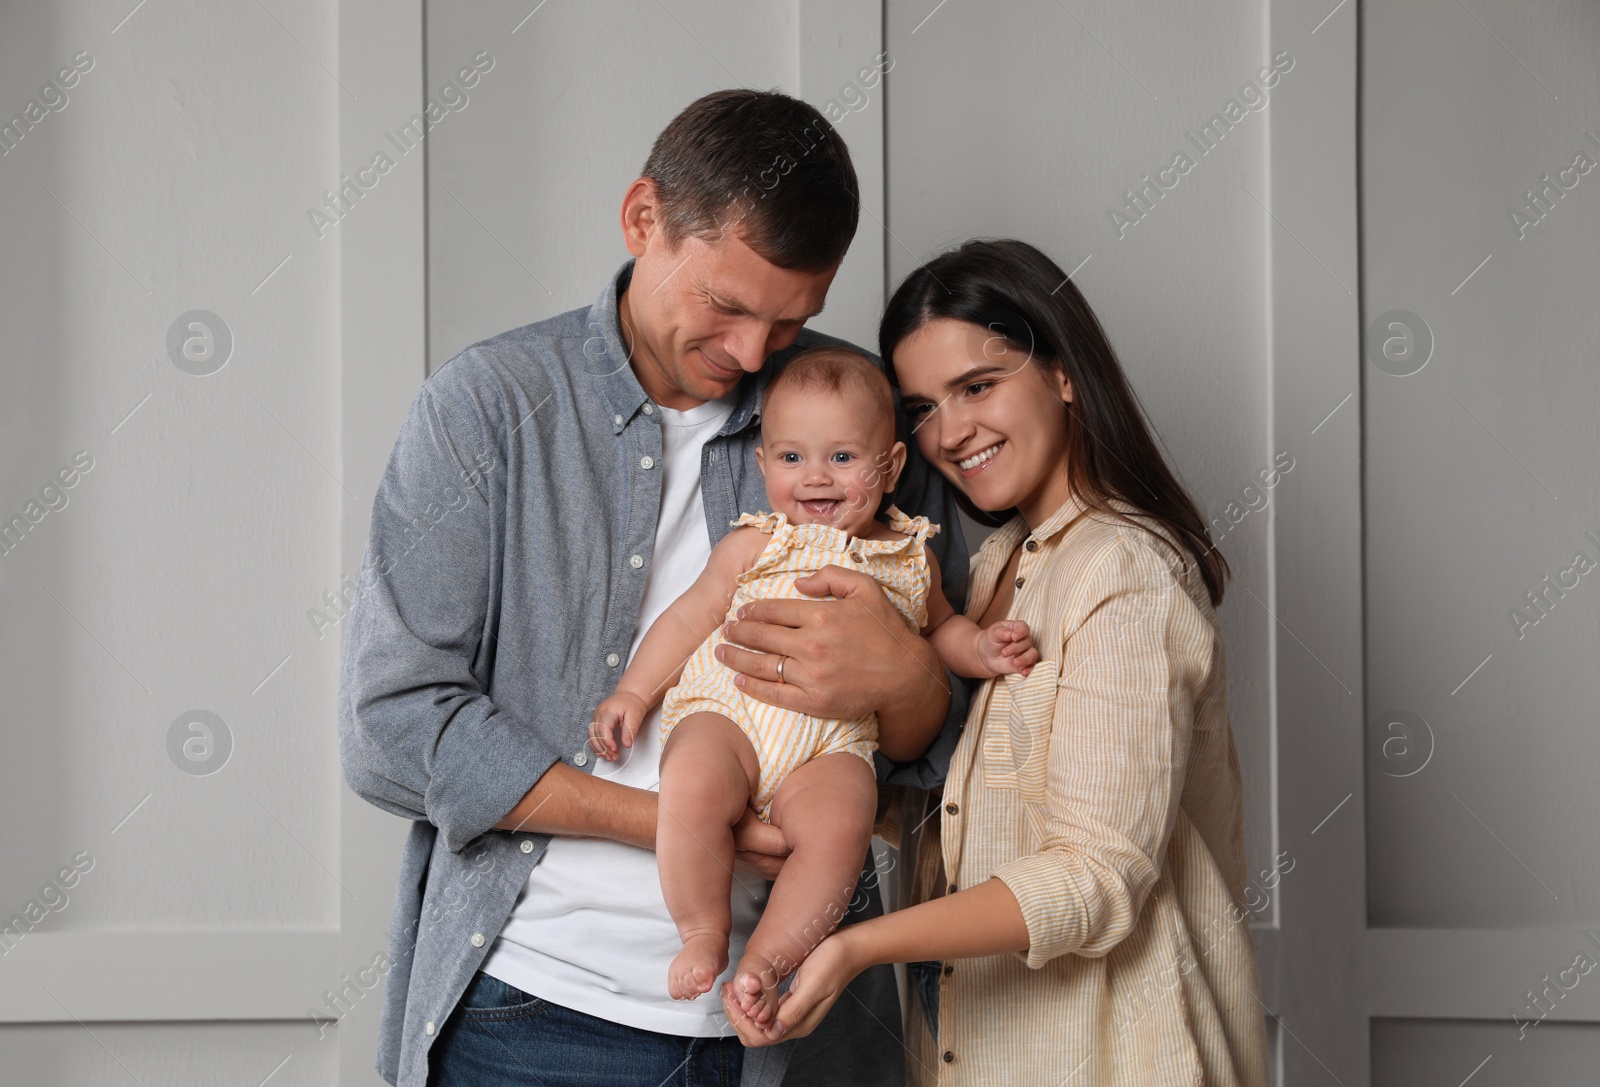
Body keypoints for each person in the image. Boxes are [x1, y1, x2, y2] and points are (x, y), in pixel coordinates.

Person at [337, 89, 973, 1087]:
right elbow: (392, 727)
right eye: (725, 305)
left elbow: (942, 741)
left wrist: (906, 679)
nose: (755, 354)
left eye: (791, 318)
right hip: (533, 1016)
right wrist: (679, 818)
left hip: (800, 1035)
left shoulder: (852, 418)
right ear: (643, 220)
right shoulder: (487, 407)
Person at [722, 238, 1272, 1087]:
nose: (954, 431)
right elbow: (961, 817)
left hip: (1115, 1055)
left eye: (978, 386)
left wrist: (855, 945)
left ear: (1062, 371)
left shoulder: (1121, 569)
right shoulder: (988, 567)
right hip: (973, 1051)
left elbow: (1097, 874)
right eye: (922, 408)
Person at [587, 347, 1037, 1023]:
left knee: (841, 827)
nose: (815, 478)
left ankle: (767, 961)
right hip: (729, 712)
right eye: (792, 458)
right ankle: (702, 931)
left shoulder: (910, 555)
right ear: (764, 464)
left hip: (831, 744)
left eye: (843, 458)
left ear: (891, 467)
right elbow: (687, 620)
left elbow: (941, 633)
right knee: (692, 785)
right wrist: (633, 693)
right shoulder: (754, 544)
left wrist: (982, 645)